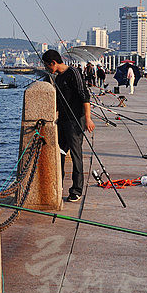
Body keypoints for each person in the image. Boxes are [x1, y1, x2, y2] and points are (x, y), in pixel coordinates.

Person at [42, 49, 95, 202]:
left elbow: (84, 94)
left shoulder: (73, 72)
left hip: (75, 120)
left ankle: (76, 190)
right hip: (63, 121)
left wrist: (88, 118)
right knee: (60, 152)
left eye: (47, 66)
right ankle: (59, 184)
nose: (47, 69)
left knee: (76, 154)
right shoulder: (58, 78)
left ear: (53, 63)